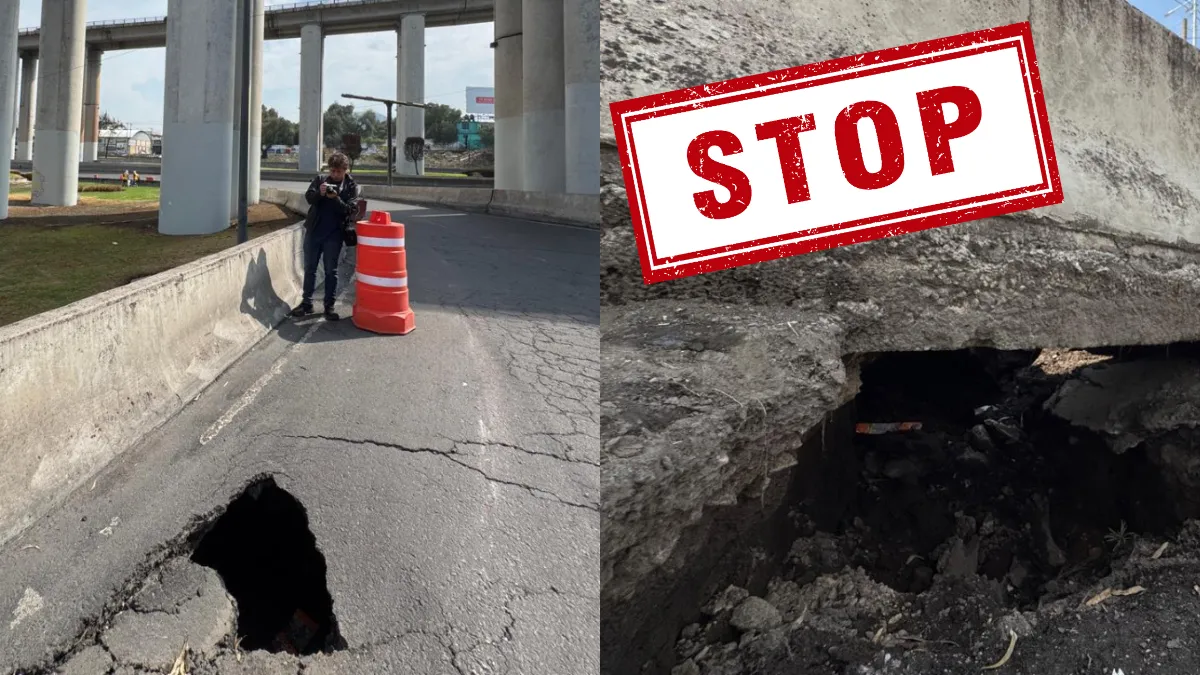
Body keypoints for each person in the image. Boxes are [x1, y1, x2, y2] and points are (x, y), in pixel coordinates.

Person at [291, 152, 359, 321]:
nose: (335, 175)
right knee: (310, 269)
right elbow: (309, 199)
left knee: (331, 271)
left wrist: (335, 198)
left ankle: (329, 306)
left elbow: (349, 210)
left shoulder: (351, 186)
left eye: (339, 172)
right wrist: (320, 193)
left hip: (334, 234)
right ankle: (307, 303)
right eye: (333, 171)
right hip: (314, 232)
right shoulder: (320, 179)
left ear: (346, 170)